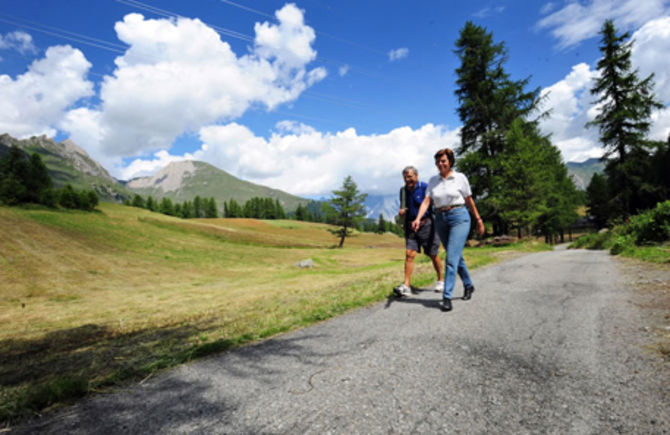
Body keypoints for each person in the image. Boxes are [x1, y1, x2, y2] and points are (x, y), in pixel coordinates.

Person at [411, 148, 485, 312]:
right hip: (441, 219)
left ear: (450, 161)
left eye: (443, 161)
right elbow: (426, 201)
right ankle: (468, 285)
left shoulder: (460, 178)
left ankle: (447, 297)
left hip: (459, 216)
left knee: (451, 258)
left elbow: (469, 200)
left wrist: (478, 220)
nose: (440, 164)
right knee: (457, 256)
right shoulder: (433, 180)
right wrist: (418, 218)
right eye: (437, 161)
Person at [393, 166, 443, 297]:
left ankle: (441, 280)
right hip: (410, 227)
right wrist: (402, 211)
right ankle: (406, 286)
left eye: (409, 176)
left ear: (416, 176)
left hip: (426, 225)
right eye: (405, 177)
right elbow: (403, 206)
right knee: (409, 254)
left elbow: (433, 204)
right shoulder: (403, 191)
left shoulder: (425, 187)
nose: (407, 179)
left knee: (432, 253)